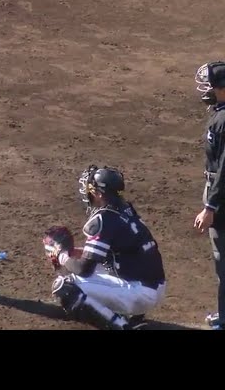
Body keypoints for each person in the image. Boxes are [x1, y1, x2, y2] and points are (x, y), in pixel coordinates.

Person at [44, 165, 167, 330]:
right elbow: (114, 253)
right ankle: (131, 315)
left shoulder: (103, 220)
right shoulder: (125, 210)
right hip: (153, 286)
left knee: (66, 287)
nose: (87, 193)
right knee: (93, 267)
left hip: (140, 293)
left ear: (99, 194)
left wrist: (61, 256)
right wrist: (73, 252)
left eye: (91, 189)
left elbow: (83, 269)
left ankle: (122, 326)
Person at [193, 60, 225, 330]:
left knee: (223, 260)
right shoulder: (220, 113)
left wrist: (210, 206)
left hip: (222, 196)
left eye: (209, 85)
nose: (205, 90)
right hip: (218, 190)